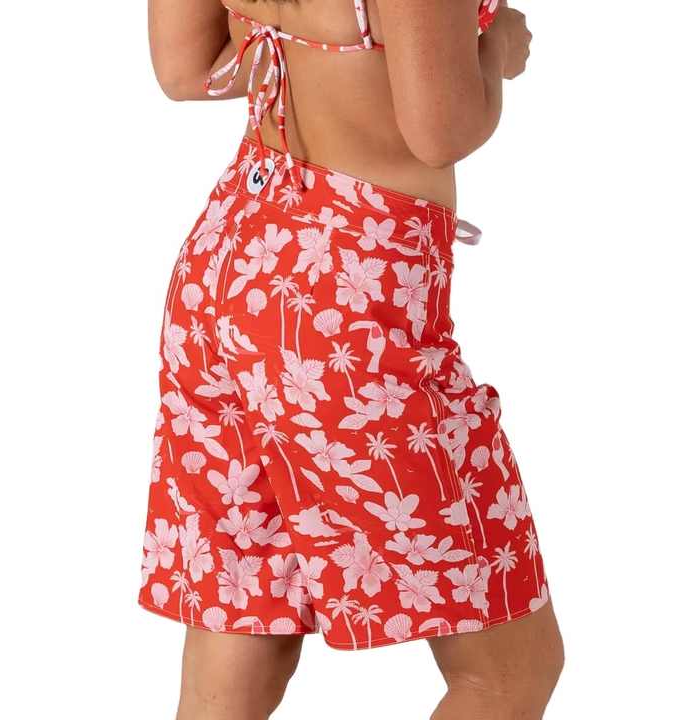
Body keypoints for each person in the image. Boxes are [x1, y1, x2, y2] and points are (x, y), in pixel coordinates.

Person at [140, 1, 564, 718]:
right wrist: (494, 46)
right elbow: (439, 131)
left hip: (228, 269)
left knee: (245, 628)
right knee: (508, 673)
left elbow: (185, 70)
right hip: (342, 308)